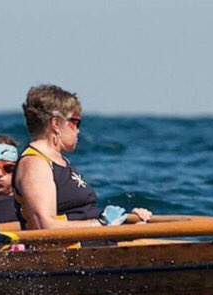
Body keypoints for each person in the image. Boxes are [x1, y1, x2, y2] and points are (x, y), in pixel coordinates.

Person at [13, 84, 152, 230]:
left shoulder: (58, 161)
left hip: (93, 243)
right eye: (75, 122)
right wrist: (102, 224)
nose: (78, 131)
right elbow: (45, 226)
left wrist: (131, 221)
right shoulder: (35, 165)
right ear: (55, 124)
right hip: (73, 249)